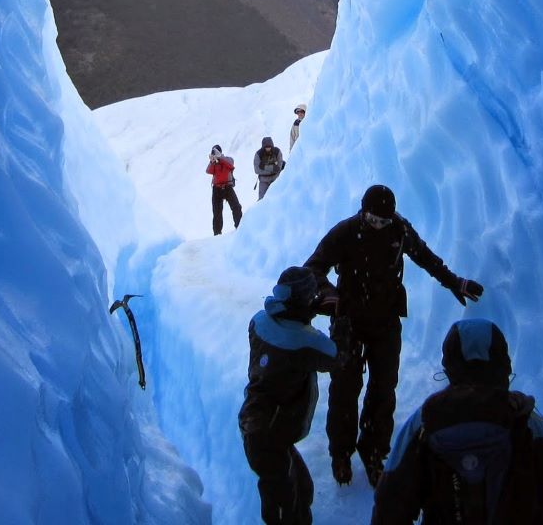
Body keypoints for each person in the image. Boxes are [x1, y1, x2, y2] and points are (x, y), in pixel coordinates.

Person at [304, 185, 484, 488]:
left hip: (385, 320)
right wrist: (329, 295)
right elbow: (313, 267)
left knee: (384, 388)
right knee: (345, 388)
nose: (378, 225)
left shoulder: (399, 230)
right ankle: (341, 454)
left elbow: (426, 258)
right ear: (363, 212)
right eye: (373, 220)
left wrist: (456, 282)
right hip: (348, 320)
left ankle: (375, 452)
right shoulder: (346, 232)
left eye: (383, 221)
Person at [371, 319, 543, 524]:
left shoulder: (424, 423)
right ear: (504, 367)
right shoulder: (530, 424)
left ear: (449, 368)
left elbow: (389, 503)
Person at [239, 266, 337, 525]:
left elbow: (285, 324)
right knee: (286, 510)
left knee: (300, 490)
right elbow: (336, 356)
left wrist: (308, 308)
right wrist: (341, 321)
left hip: (260, 425)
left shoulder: (259, 321)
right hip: (269, 434)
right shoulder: (302, 342)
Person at [207, 144, 243, 236]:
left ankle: (240, 228)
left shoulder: (227, 160)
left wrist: (220, 157)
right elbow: (208, 171)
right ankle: (217, 234)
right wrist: (212, 161)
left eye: (216, 152)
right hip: (217, 189)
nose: (215, 154)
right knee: (217, 212)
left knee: (236, 207)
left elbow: (231, 164)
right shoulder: (213, 163)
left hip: (227, 187)